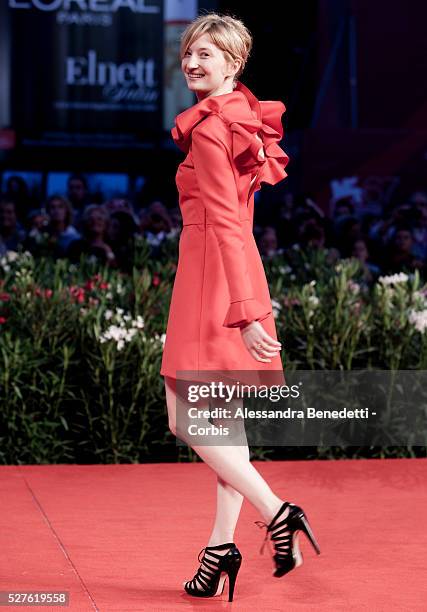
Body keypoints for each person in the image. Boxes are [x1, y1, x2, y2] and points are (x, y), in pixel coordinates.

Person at [159, 13, 320, 602]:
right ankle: (220, 550)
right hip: (236, 272)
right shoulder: (242, 116)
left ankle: (279, 511)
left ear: (233, 61)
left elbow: (225, 221)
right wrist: (250, 299)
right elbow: (240, 226)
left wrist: (248, 313)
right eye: (188, 55)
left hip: (211, 281)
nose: (193, 64)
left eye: (206, 54)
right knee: (224, 425)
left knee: (187, 419)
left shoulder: (208, 129)